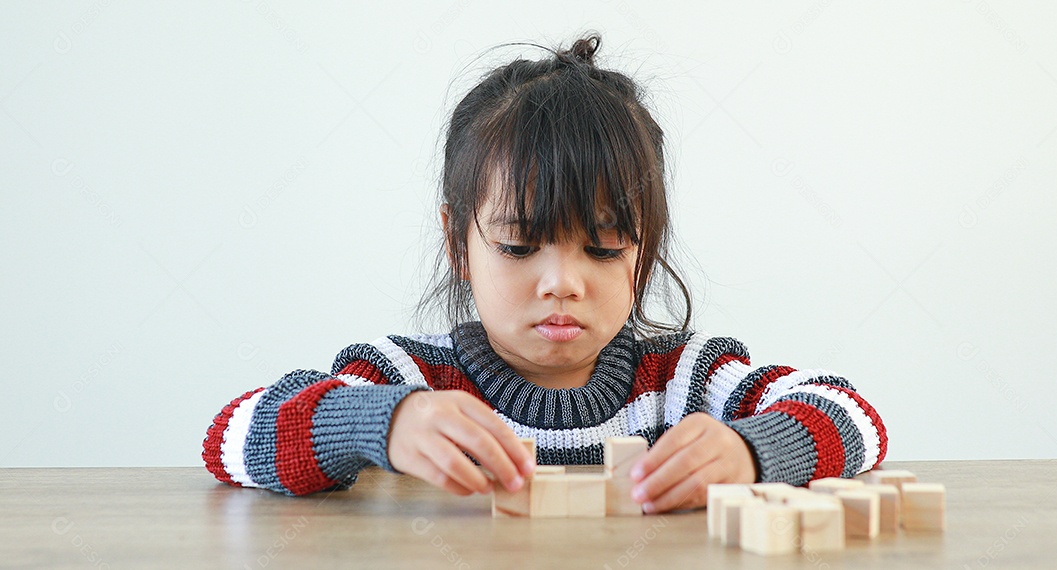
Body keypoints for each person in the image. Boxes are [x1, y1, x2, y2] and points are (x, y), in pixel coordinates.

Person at [202, 33, 887, 514]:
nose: (562, 282)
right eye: (521, 247)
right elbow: (231, 435)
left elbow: (856, 417)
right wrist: (378, 426)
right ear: (457, 243)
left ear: (643, 251)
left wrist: (750, 451)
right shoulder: (411, 382)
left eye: (604, 248)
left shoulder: (684, 383)